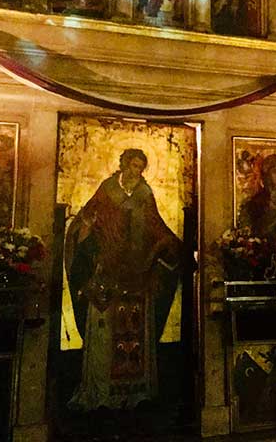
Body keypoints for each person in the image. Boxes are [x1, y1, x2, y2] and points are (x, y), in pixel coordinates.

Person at [66, 148, 186, 410]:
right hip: (107, 274)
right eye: (133, 166)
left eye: (140, 167)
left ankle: (135, 392)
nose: (136, 172)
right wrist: (87, 232)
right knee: (105, 333)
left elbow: (156, 226)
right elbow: (88, 220)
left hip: (138, 276)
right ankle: (102, 392)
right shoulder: (107, 189)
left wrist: (172, 245)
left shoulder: (145, 194)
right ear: (123, 165)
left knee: (136, 334)